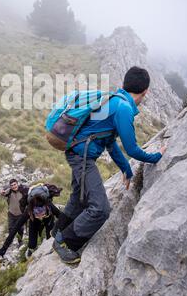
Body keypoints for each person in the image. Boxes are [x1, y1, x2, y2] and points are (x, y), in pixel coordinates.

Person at [52, 66, 167, 264]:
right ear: (145, 91)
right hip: (82, 157)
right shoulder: (123, 108)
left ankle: (58, 229)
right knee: (100, 208)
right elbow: (131, 149)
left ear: (124, 84)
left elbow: (109, 142)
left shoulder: (113, 100)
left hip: (77, 151)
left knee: (78, 197)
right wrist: (157, 156)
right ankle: (64, 242)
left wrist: (126, 169)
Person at [0, 184, 62, 259]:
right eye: (38, 214)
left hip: (48, 219)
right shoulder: (28, 212)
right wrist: (4, 248)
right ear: (32, 211)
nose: (40, 216)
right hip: (34, 222)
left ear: (46, 208)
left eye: (42, 213)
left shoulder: (49, 205)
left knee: (51, 238)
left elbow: (62, 217)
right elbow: (15, 229)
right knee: (32, 244)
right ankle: (30, 252)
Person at [1, 178, 28, 246]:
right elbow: (3, 194)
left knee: (20, 229)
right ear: (10, 186)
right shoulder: (9, 191)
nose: (14, 186)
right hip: (11, 213)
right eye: (12, 185)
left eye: (14, 184)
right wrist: (2, 193)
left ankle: (20, 241)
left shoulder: (23, 190)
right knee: (11, 228)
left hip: (20, 214)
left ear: (17, 183)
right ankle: (10, 241)